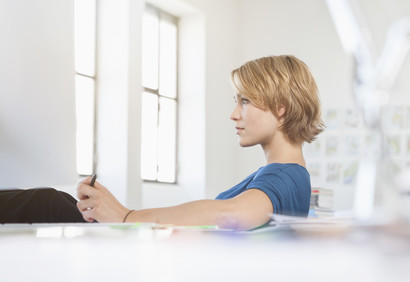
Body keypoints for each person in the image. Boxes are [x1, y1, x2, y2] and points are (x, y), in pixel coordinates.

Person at [0, 55, 324, 231]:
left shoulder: (286, 175)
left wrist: (125, 216)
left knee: (47, 203)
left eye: (245, 102)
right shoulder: (279, 175)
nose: (233, 114)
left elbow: (235, 212)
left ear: (281, 108)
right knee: (56, 201)